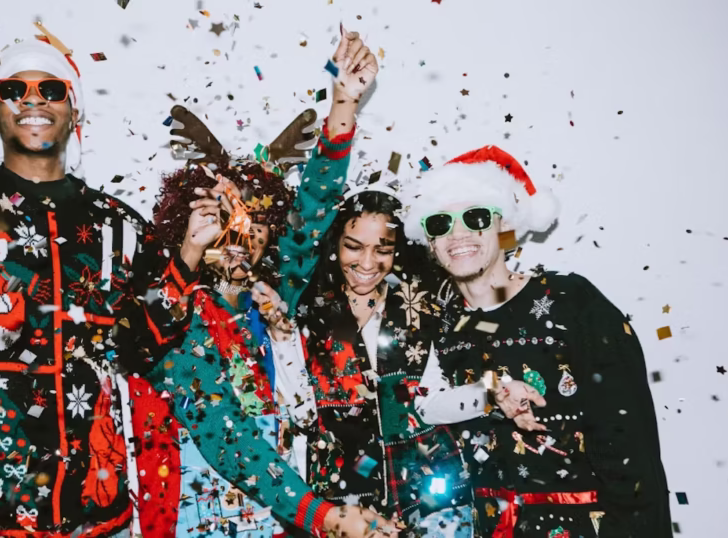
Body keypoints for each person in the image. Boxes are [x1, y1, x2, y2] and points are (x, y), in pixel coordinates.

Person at [0, 28, 222, 536]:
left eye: (51, 89)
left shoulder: (117, 223)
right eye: (14, 90)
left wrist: (190, 254)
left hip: (92, 504)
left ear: (75, 111)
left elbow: (140, 349)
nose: (33, 101)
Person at [128, 31, 392, 538]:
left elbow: (316, 207)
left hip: (274, 518)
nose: (237, 230)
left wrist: (342, 104)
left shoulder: (272, 301)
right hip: (188, 519)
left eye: (254, 220)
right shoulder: (171, 317)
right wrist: (324, 516)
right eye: (221, 216)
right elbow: (222, 429)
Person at [399, 145, 672, 537]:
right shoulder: (447, 325)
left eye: (475, 217)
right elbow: (426, 403)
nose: (457, 234)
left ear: (502, 225)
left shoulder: (570, 302)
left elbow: (631, 449)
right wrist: (491, 393)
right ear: (429, 240)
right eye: (440, 222)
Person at [294, 188, 483, 537]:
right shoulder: (307, 312)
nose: (367, 264)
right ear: (334, 243)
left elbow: (434, 402)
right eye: (354, 246)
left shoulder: (423, 306)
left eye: (382, 250)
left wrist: (490, 395)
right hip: (345, 499)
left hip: (433, 493)